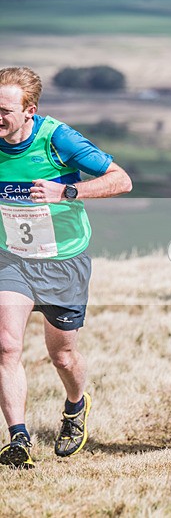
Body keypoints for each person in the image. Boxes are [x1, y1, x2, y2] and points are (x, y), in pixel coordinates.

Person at [0, 66, 132, 468]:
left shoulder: (58, 139)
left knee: (62, 356)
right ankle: (18, 439)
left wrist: (67, 191)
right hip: (12, 258)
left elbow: (121, 180)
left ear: (30, 110)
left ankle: (76, 405)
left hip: (62, 260)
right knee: (6, 345)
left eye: (4, 111)